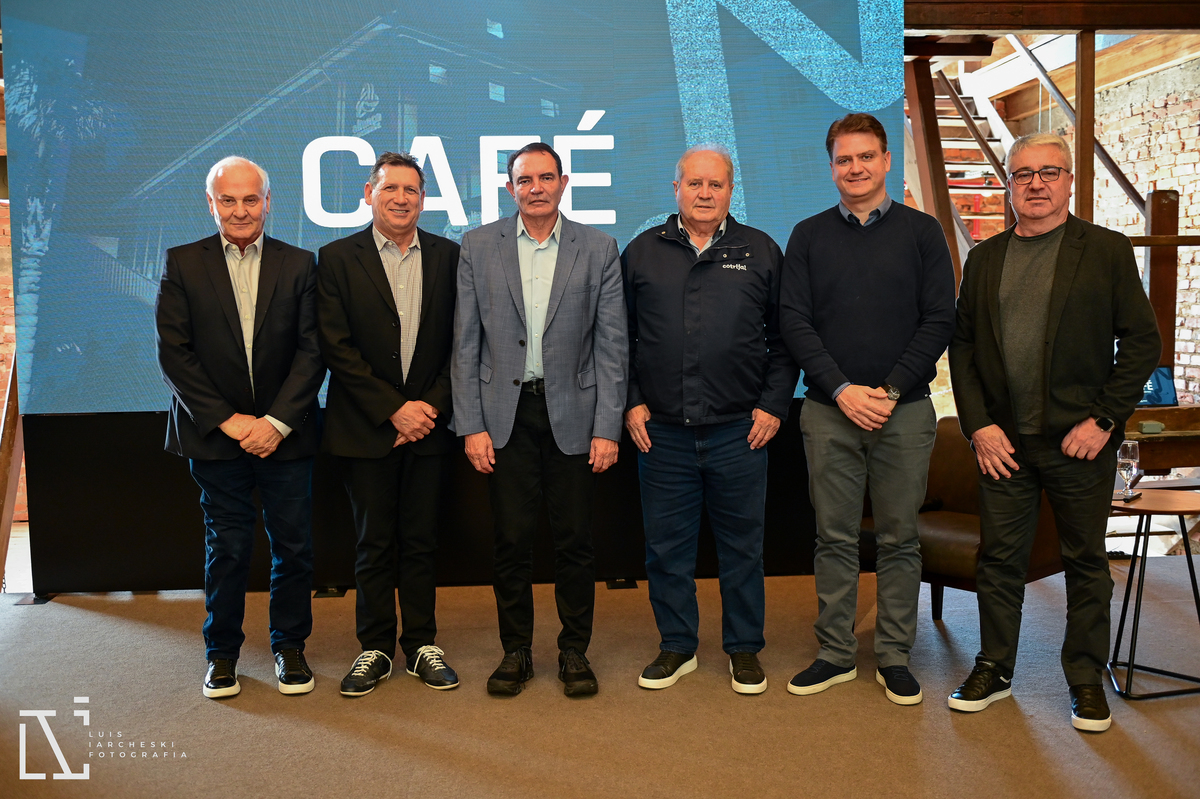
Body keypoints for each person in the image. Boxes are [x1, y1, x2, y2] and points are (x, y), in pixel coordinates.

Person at [948, 132, 1159, 732]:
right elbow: (963, 348)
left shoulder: (1107, 250)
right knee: (999, 561)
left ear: (1069, 181)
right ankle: (994, 667)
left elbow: (1142, 342)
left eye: (1049, 172)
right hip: (1004, 446)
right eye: (1023, 174)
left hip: (1079, 443)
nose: (1035, 184)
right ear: (1008, 184)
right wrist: (978, 426)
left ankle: (1085, 679)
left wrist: (1105, 419)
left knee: (1085, 562)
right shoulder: (985, 259)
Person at [780, 113, 956, 705]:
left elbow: (940, 318)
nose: (854, 168)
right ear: (831, 167)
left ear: (885, 161)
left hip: (903, 412)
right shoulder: (807, 235)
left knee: (901, 538)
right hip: (829, 410)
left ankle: (894, 655)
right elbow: (794, 322)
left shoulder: (923, 232)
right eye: (843, 159)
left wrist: (889, 390)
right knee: (833, 537)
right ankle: (834, 653)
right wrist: (842, 390)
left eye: (865, 157)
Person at [452, 142, 627, 697]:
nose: (536, 188)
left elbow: (613, 347)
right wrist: (471, 424)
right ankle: (516, 651)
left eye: (546, 178)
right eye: (525, 180)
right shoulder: (478, 245)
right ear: (510, 188)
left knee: (575, 540)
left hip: (575, 413)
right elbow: (465, 344)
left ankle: (574, 650)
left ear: (563, 183)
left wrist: (607, 427)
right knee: (511, 540)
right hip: (504, 416)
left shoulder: (599, 248)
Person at [622, 144, 798, 694]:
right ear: (675, 188)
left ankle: (744, 649)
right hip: (661, 433)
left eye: (715, 184)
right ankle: (677, 646)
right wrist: (630, 400)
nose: (704, 193)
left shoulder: (761, 250)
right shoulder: (642, 251)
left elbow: (785, 339)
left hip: (739, 431)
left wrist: (773, 404)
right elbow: (618, 338)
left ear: (730, 190)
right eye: (694, 183)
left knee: (742, 548)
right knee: (666, 549)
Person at [156, 156, 326, 699]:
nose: (240, 210)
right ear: (211, 203)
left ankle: (289, 647)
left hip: (286, 436)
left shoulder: (300, 264)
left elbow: (313, 352)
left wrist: (275, 423)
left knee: (293, 547)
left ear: (268, 202)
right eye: (227, 200)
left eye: (251, 199)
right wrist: (231, 422)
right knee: (227, 548)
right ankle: (222, 654)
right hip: (215, 438)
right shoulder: (183, 262)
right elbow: (175, 355)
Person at [317, 152, 461, 696]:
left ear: (423, 199)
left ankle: (422, 644)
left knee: (421, 542)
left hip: (429, 427)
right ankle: (374, 647)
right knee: (373, 543)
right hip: (365, 428)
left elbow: (463, 341)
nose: (401, 198)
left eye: (411, 190)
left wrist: (427, 408)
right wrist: (393, 409)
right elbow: (336, 347)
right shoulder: (336, 258)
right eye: (390, 188)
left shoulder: (450, 256)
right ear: (369, 193)